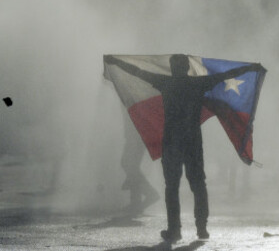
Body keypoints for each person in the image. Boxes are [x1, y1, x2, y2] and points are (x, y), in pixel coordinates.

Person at [104, 54, 263, 242]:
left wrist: (116, 62)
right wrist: (250, 68)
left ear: (172, 68)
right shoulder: (198, 84)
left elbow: (138, 72)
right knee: (198, 185)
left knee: (172, 187)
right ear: (187, 67)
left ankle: (174, 230)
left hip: (172, 141)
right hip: (193, 142)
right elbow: (226, 74)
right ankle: (201, 228)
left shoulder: (166, 83)